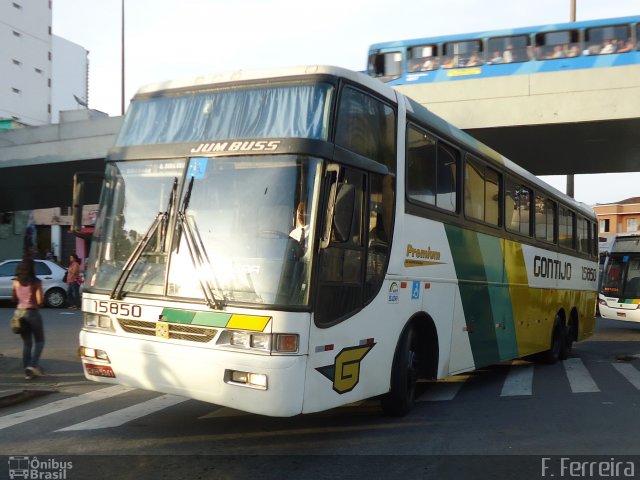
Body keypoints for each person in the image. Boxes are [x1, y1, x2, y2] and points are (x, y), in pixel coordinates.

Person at [12, 258, 45, 380]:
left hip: (19, 313)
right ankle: (32, 365)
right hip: (32, 313)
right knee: (40, 341)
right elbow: (40, 301)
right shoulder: (36, 282)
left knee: (27, 343)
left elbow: (14, 298)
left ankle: (27, 371)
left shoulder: (15, 282)